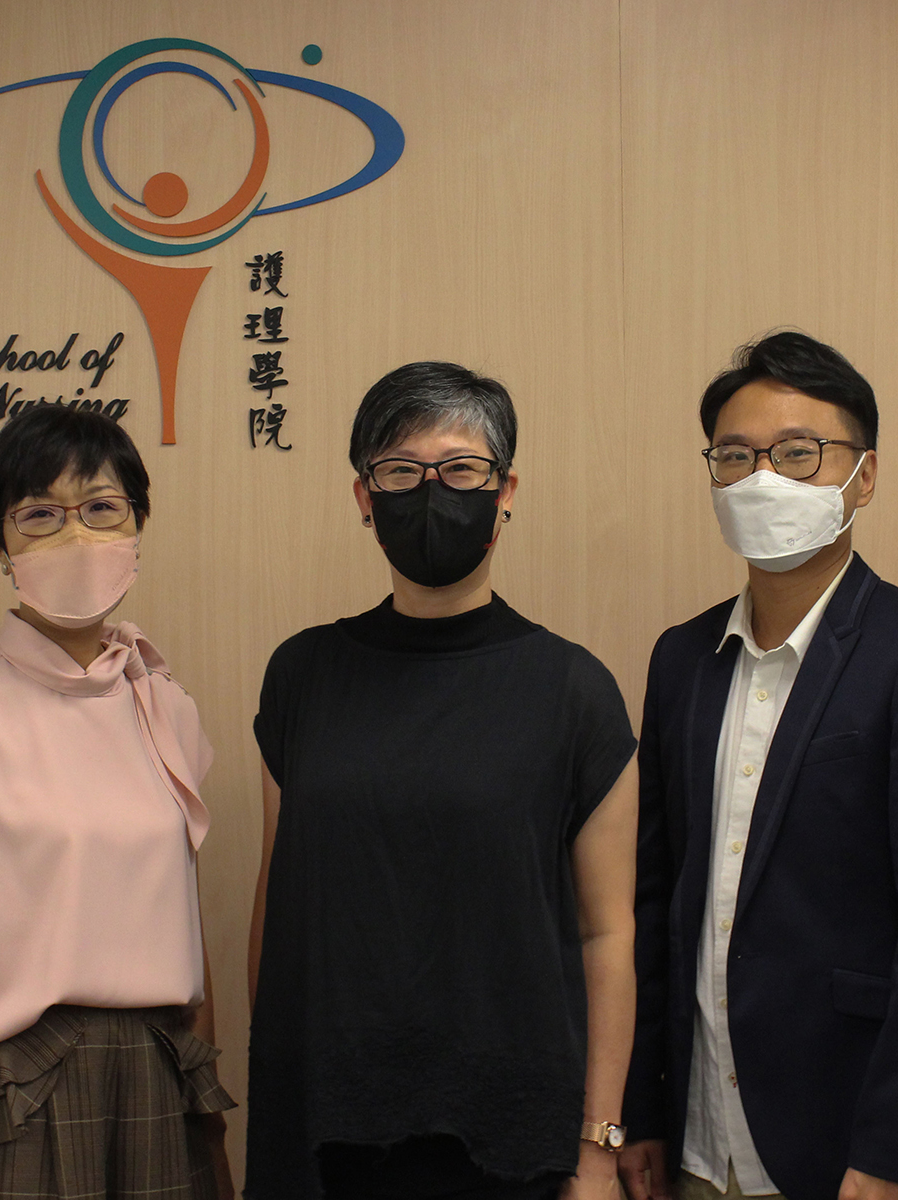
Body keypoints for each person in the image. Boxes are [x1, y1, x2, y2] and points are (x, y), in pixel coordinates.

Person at [619, 332, 898, 1200]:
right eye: (735, 456)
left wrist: (897, 1150)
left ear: (863, 477)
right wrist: (643, 1108)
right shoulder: (682, 658)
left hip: (857, 1150)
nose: (764, 479)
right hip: (700, 1145)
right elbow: (658, 898)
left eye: (799, 453)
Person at [244, 361, 640, 1200]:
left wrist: (599, 1145)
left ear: (505, 492)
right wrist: (277, 1099)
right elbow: (280, 900)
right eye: (400, 470)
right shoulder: (303, 675)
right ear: (364, 497)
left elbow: (608, 936)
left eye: (461, 469)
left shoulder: (575, 690)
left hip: (512, 1140)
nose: (432, 493)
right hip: (326, 1133)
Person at [0, 404, 233, 1200]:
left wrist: (208, 1120)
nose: (75, 535)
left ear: (137, 526)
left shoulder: (165, 704)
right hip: (15, 1094)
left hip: (160, 1074)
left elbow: (184, 925)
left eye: (102, 509)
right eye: (40, 514)